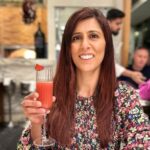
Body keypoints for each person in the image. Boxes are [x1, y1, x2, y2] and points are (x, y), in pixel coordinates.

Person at [17, 7, 150, 149]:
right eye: (76, 38)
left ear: (106, 44)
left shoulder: (125, 97)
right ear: (68, 48)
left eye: (93, 36)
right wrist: (36, 123)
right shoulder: (52, 96)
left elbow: (142, 143)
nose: (85, 45)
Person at [107, 8, 146, 85]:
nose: (120, 27)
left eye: (145, 57)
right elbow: (108, 64)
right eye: (117, 23)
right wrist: (131, 74)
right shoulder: (102, 39)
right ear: (108, 22)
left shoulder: (109, 38)